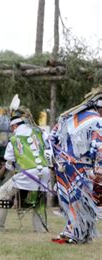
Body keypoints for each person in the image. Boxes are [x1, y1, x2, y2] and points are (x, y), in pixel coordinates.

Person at [0, 95, 50, 233]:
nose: (12, 130)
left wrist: (11, 170)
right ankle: (40, 229)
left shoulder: (14, 138)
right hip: (45, 171)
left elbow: (9, 162)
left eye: (12, 127)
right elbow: (48, 150)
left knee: (3, 193)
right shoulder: (39, 132)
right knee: (39, 198)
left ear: (15, 126)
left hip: (28, 172)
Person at [50, 87, 102, 244]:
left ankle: (76, 232)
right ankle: (76, 234)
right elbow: (99, 146)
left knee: (72, 201)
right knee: (82, 201)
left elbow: (51, 140)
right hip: (82, 167)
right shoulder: (97, 121)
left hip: (63, 166)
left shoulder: (67, 118)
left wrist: (55, 162)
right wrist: (99, 169)